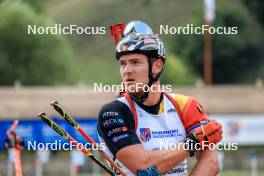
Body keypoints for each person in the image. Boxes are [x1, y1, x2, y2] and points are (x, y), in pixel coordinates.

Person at [97, 21, 222, 176]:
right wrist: (192, 143)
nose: (127, 71)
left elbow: (211, 163)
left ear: (157, 66)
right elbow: (144, 169)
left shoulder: (185, 105)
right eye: (123, 64)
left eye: (135, 62)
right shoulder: (114, 111)